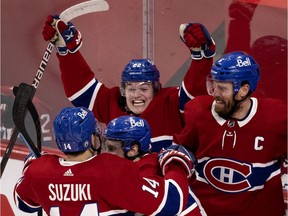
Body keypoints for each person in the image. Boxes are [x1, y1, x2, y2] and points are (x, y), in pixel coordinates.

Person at [42, 16, 215, 152]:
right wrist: (68, 51)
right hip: (125, 192)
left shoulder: (169, 102)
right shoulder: (115, 101)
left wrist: (201, 56)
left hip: (164, 191)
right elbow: (82, 91)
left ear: (155, 90)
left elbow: (193, 94)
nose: (136, 94)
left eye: (143, 88)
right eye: (131, 88)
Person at [14, 106, 199, 216]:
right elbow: (172, 203)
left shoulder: (39, 172)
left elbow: (24, 204)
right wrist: (177, 165)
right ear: (93, 139)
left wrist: (30, 166)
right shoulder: (111, 168)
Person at [173, 51, 287, 216]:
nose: (215, 94)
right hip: (204, 211)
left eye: (222, 88)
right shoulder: (197, 111)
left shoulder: (276, 118)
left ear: (243, 90)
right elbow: (181, 150)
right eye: (214, 86)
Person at [102, 115, 207, 215]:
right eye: (104, 147)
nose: (104, 154)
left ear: (133, 150)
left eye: (111, 149)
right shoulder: (150, 162)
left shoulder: (144, 174)